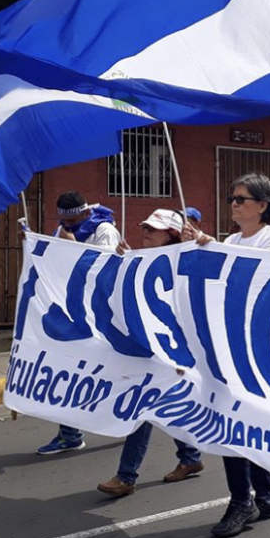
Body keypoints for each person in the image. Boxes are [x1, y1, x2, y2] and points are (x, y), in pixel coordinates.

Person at [97, 209, 205, 497]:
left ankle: (126, 476)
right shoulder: (144, 259)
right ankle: (191, 458)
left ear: (169, 235)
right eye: (145, 226)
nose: (145, 231)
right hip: (147, 348)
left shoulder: (182, 263)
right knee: (158, 406)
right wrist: (125, 259)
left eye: (152, 229)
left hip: (169, 351)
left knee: (142, 407)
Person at [211, 173, 270, 538]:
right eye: (232, 198)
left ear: (263, 205)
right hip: (231, 344)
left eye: (241, 199)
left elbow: (263, 280)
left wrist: (213, 249)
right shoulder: (230, 239)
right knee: (238, 424)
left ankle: (243, 500)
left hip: (257, 348)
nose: (234, 204)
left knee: (242, 425)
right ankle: (265, 498)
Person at [37, 191, 121, 456]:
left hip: (100, 315)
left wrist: (72, 246)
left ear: (85, 214)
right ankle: (70, 434)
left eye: (71, 219)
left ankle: (137, 416)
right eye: (63, 219)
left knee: (113, 373)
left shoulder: (104, 230)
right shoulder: (62, 230)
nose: (67, 224)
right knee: (67, 369)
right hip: (72, 313)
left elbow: (103, 269)